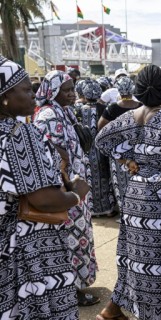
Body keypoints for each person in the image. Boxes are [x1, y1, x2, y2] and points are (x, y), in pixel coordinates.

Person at [95, 65, 161, 320]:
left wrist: (126, 160)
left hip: (136, 195)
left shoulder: (130, 116)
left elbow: (102, 140)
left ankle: (124, 310)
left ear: (139, 91)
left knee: (137, 257)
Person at [0, 55, 90, 320]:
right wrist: (76, 195)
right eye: (26, 90)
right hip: (29, 247)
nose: (34, 95)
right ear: (4, 96)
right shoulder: (18, 134)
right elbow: (43, 199)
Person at [33, 70, 99, 307]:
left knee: (80, 236)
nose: (73, 94)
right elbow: (46, 151)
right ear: (53, 91)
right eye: (67, 90)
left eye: (73, 89)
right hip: (65, 189)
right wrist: (68, 181)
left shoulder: (66, 112)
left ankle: (79, 282)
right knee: (69, 239)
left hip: (76, 188)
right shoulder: (48, 115)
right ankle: (72, 289)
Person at [97, 77, 142, 217]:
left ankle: (125, 214)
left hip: (118, 152)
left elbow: (100, 126)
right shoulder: (140, 105)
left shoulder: (113, 107)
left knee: (120, 182)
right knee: (137, 179)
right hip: (137, 150)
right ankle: (138, 212)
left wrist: (115, 135)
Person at [78, 80, 115, 216]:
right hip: (103, 150)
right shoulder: (105, 109)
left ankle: (93, 210)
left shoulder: (78, 110)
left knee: (89, 179)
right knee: (105, 178)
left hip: (86, 151)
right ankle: (108, 209)